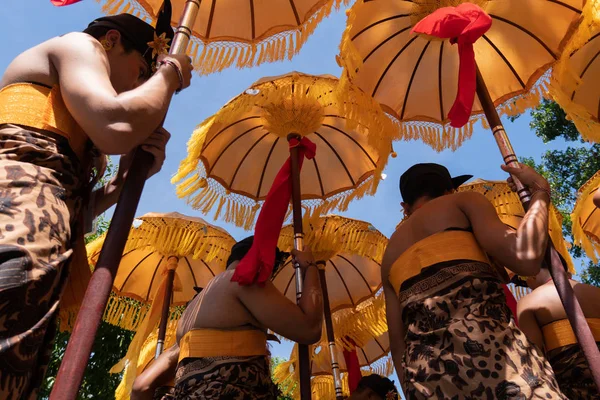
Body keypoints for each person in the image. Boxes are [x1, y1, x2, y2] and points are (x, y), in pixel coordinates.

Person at [0, 2, 193, 397]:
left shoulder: (79, 133)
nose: (135, 88)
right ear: (111, 41)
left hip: (43, 246)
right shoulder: (77, 46)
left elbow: (77, 211)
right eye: (139, 73)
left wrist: (120, 186)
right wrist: (169, 72)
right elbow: (117, 124)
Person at [381, 162, 566, 399]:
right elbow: (526, 258)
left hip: (429, 382)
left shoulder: (389, 254)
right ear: (449, 191)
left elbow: (398, 345)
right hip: (499, 363)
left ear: (405, 208)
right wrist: (541, 191)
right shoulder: (464, 202)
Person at [131, 236, 323, 399]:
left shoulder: (195, 308)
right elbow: (309, 330)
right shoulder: (245, 279)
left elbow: (141, 386)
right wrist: (310, 267)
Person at [518, 261, 600, 399]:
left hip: (574, 385)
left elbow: (533, 356)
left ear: (532, 275)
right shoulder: (596, 292)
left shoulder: (529, 301)